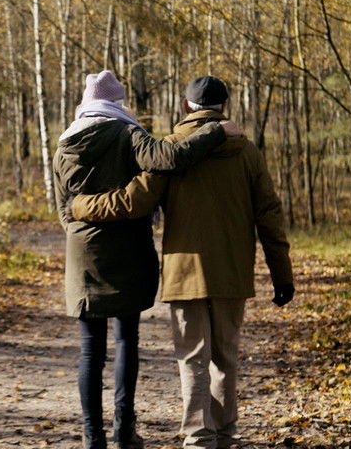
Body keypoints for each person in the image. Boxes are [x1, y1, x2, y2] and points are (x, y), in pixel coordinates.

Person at [71, 75, 294, 449]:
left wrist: (80, 205)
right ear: (224, 107)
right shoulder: (247, 151)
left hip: (184, 270)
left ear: (185, 106)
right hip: (232, 271)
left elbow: (134, 201)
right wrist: (281, 274)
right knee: (225, 357)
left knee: (192, 358)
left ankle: (197, 436)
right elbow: (269, 214)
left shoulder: (170, 149)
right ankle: (224, 434)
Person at [53, 70, 241, 449]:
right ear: (117, 102)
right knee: (126, 341)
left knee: (90, 350)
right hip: (129, 251)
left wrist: (81, 225)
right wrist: (218, 131)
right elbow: (167, 157)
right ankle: (124, 432)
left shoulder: (64, 144)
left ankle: (93, 438)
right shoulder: (127, 134)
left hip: (83, 254)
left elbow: (64, 211)